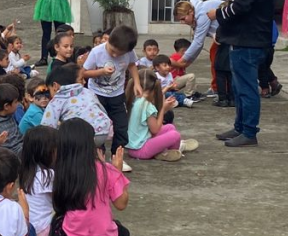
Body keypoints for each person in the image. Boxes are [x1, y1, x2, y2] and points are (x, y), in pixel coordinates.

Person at [210, 0, 280, 147]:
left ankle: (248, 131)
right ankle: (240, 127)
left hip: (246, 40)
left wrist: (217, 14)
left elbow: (241, 6)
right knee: (240, 86)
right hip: (258, 38)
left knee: (246, 88)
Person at [47, 119, 132, 236]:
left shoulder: (61, 171)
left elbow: (59, 206)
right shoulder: (106, 170)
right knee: (122, 232)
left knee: (58, 221)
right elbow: (121, 204)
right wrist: (116, 172)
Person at [82, 25, 142, 166]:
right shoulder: (97, 52)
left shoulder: (129, 52)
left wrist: (137, 83)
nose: (115, 55)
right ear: (108, 40)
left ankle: (117, 157)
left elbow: (132, 65)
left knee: (121, 127)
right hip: (96, 95)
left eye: (119, 54)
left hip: (117, 94)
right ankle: (99, 156)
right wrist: (101, 72)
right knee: (97, 127)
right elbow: (84, 72)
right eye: (112, 51)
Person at [124, 68, 198, 162]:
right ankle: (169, 151)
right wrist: (163, 109)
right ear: (154, 88)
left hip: (133, 146)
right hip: (140, 150)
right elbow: (155, 130)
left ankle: (165, 150)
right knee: (175, 135)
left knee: (170, 127)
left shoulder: (134, 99)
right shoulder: (146, 105)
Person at [42, 63, 112, 147]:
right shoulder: (86, 91)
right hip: (103, 130)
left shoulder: (57, 100)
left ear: (55, 86)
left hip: (81, 136)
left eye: (49, 90)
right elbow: (101, 109)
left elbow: (47, 127)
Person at [173, 0, 222, 95]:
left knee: (217, 59)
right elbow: (198, 44)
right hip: (224, 35)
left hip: (232, 34)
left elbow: (198, 43)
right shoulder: (198, 13)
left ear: (190, 12)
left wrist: (183, 61)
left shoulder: (202, 14)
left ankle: (219, 88)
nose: (182, 22)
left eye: (183, 19)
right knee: (215, 55)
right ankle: (217, 87)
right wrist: (187, 61)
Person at [19, 125, 57, 236]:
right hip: (44, 229)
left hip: (31, 227)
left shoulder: (27, 172)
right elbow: (63, 199)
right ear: (47, 151)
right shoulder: (47, 175)